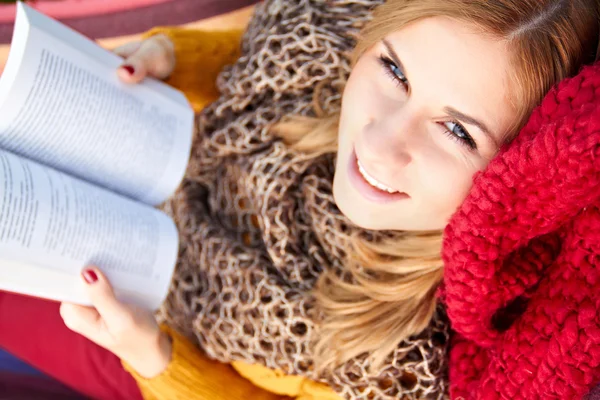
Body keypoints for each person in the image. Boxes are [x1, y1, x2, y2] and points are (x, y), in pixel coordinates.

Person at [1, 0, 600, 399]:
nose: (379, 142)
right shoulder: (323, 35)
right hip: (155, 192)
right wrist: (173, 57)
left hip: (160, 350)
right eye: (394, 72)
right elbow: (250, 55)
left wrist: (152, 355)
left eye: (458, 132)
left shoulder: (412, 356)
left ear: (518, 180)